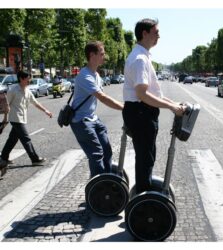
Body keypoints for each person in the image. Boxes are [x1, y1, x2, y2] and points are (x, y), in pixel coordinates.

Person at [123, 18, 184, 194]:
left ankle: (144, 192)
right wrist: (171, 107)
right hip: (141, 112)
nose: (159, 36)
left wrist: (172, 103)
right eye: (156, 32)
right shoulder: (140, 59)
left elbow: (154, 93)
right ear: (145, 33)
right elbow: (142, 94)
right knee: (145, 158)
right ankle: (143, 199)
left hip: (141, 111)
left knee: (147, 156)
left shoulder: (142, 56)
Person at [70, 41, 124, 178]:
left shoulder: (97, 75)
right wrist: (124, 108)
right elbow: (102, 97)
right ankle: (99, 190)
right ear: (92, 55)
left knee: (107, 151)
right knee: (96, 154)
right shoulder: (85, 75)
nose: (104, 56)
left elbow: (104, 96)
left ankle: (107, 179)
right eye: (102, 53)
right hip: (81, 121)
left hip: (92, 118)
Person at [0, 70, 53, 176]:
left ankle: (3, 158)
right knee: (26, 139)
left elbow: (35, 102)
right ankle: (34, 158)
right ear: (21, 79)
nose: (29, 80)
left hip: (22, 118)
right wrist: (5, 118)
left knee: (12, 140)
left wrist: (45, 110)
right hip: (15, 118)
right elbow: (7, 105)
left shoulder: (27, 91)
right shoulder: (13, 89)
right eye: (27, 78)